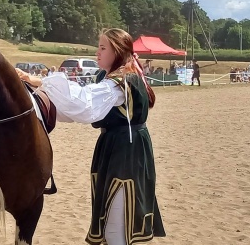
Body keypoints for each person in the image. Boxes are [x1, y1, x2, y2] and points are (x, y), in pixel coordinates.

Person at [15, 28, 166, 245]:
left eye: (103, 48)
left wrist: (42, 82)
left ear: (118, 51)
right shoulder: (109, 77)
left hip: (126, 150)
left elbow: (83, 103)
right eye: (99, 47)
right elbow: (75, 109)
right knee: (110, 220)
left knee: (117, 225)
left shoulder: (121, 80)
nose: (98, 52)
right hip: (113, 146)